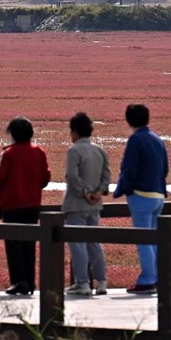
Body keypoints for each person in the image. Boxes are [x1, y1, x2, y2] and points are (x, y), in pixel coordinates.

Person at [0, 117, 51, 295]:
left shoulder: (9, 154)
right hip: (32, 205)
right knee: (29, 244)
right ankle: (30, 281)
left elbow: (0, 175)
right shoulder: (39, 152)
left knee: (13, 244)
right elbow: (45, 178)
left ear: (13, 134)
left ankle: (18, 281)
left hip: (12, 205)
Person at [113, 104, 169, 294]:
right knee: (154, 238)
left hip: (141, 196)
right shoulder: (157, 139)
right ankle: (159, 277)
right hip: (158, 195)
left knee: (143, 240)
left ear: (129, 120)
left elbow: (128, 169)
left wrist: (124, 190)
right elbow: (165, 169)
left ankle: (147, 279)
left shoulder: (136, 140)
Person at [63, 112, 110, 296]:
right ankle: (102, 281)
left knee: (78, 244)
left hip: (76, 204)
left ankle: (82, 282)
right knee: (94, 243)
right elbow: (106, 176)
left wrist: (85, 193)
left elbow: (72, 176)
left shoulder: (74, 150)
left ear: (74, 131)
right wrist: (98, 193)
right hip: (95, 206)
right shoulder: (100, 151)